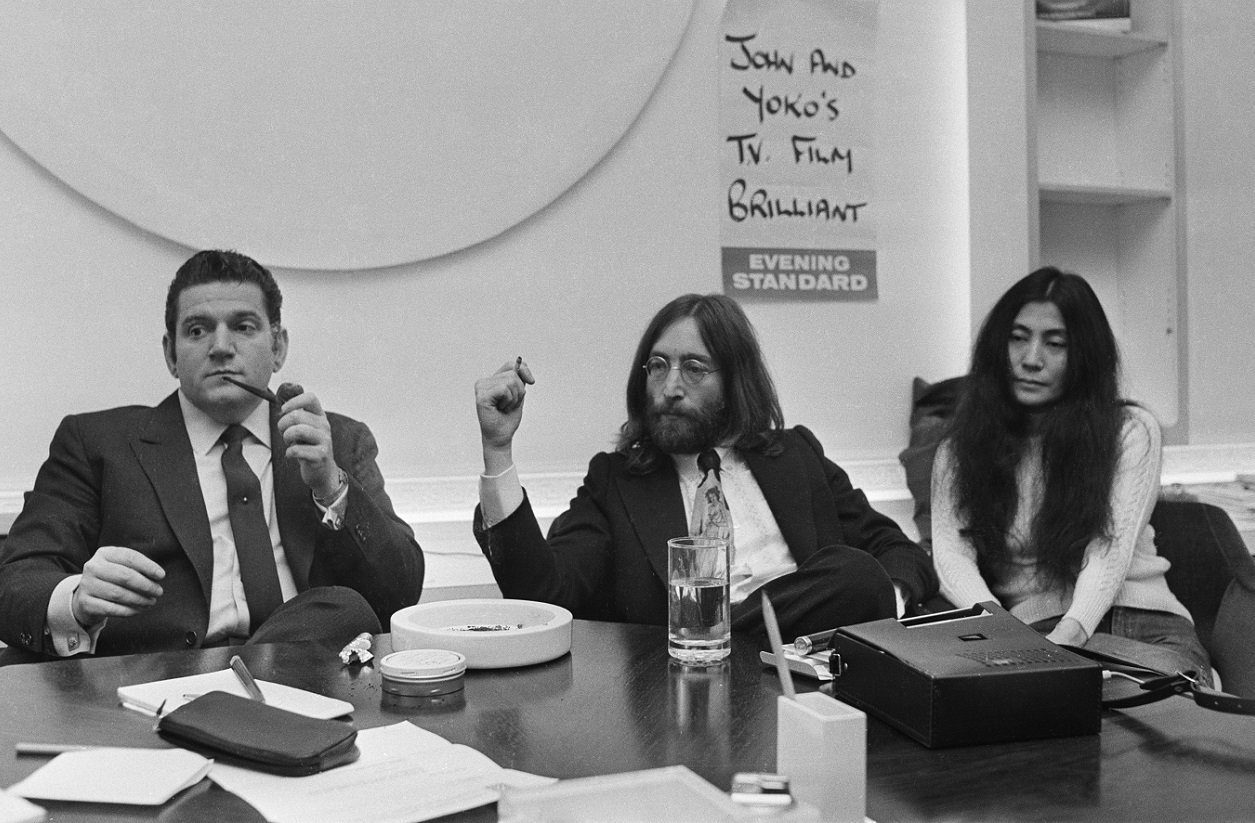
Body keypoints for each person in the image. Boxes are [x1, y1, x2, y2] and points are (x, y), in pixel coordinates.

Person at [0, 250, 423, 660]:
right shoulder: (96, 442)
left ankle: (235, 691)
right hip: (154, 683)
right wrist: (77, 598)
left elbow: (399, 594)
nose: (221, 347)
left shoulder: (338, 442)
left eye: (243, 327)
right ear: (171, 354)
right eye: (198, 330)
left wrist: (331, 487)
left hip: (303, 680)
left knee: (340, 609)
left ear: (278, 347)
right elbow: (17, 579)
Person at [473, 293, 937, 644]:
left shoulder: (795, 455)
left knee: (854, 574)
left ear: (736, 380)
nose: (670, 386)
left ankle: (714, 631)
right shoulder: (616, 481)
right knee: (853, 577)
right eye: (657, 366)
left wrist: (882, 608)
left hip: (807, 676)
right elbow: (546, 593)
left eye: (694, 368)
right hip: (683, 692)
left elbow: (897, 552)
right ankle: (705, 637)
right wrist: (498, 449)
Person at [931, 267, 1211, 682]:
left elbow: (1108, 550)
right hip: (1032, 628)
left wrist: (1072, 635)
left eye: (1055, 343)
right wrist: (1004, 636)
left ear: (1084, 356)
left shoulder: (1130, 430)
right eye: (1018, 337)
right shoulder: (959, 450)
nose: (1031, 359)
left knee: (1154, 713)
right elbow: (952, 558)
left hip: (1144, 624)